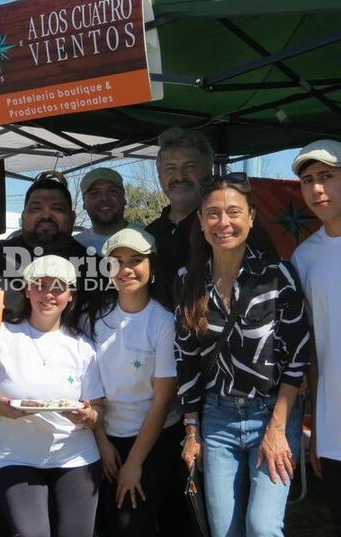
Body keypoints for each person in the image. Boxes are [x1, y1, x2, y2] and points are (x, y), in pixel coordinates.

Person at [0, 174, 108, 537]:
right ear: (23, 215)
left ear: (73, 218)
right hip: (2, 413)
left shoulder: (95, 266)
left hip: (73, 429)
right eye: (36, 208)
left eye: (57, 209)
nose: (46, 215)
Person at [176, 174, 310, 537]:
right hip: (217, 419)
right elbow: (186, 358)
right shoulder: (189, 279)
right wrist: (192, 430)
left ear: (251, 217)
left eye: (234, 212)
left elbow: (298, 355)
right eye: (213, 213)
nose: (224, 222)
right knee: (224, 531)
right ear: (201, 221)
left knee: (262, 527)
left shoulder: (277, 275)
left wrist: (279, 427)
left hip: (272, 412)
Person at [80, 228, 181, 536]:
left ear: (151, 266)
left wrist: (134, 463)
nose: (126, 270)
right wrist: (102, 442)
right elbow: (89, 389)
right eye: (117, 261)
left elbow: (162, 401)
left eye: (135, 260)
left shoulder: (164, 321)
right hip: (105, 438)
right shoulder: (92, 318)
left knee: (134, 524)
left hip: (153, 441)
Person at [290, 139, 341, 536]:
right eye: (308, 180)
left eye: (327, 176)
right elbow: (311, 352)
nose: (317, 189)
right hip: (334, 427)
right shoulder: (304, 257)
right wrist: (318, 428)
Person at [146, 127, 214, 303]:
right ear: (160, 176)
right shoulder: (148, 235)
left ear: (208, 173)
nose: (179, 176)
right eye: (170, 168)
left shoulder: (221, 231)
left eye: (189, 167)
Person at [75, 167, 144, 253]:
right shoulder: (72, 246)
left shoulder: (148, 237)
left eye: (112, 191)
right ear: (84, 202)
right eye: (95, 193)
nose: (104, 198)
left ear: (124, 198)